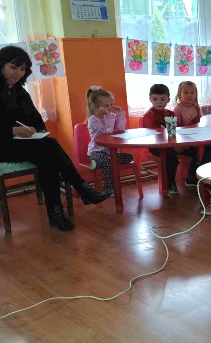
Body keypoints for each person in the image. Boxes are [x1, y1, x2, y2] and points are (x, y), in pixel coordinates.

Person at [0, 45, 109, 230]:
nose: (18, 73)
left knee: (47, 154)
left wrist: (35, 130)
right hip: (3, 146)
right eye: (13, 67)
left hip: (24, 145)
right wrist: (11, 131)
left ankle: (58, 211)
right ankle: (79, 191)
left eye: (22, 69)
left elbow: (35, 119)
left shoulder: (20, 92)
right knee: (48, 149)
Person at [86, 86, 133, 194]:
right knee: (108, 161)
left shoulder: (110, 117)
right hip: (97, 151)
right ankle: (109, 189)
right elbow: (106, 132)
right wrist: (110, 117)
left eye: (111, 104)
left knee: (129, 157)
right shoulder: (93, 120)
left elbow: (120, 129)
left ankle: (98, 164)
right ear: (96, 107)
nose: (110, 107)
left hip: (111, 152)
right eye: (107, 106)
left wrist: (119, 114)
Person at [141, 83, 182, 195]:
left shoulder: (171, 114)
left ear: (168, 100)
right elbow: (151, 134)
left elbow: (178, 130)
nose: (159, 102)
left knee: (194, 150)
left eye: (162, 99)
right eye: (155, 99)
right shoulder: (149, 116)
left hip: (172, 144)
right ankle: (170, 183)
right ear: (150, 99)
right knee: (170, 158)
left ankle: (192, 178)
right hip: (155, 146)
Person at [171, 80, 201, 187]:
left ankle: (202, 176)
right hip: (181, 141)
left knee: (206, 149)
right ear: (179, 95)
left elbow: (201, 122)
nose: (189, 95)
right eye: (186, 92)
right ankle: (191, 178)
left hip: (195, 138)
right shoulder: (178, 108)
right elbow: (176, 127)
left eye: (192, 93)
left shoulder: (197, 107)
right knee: (195, 152)